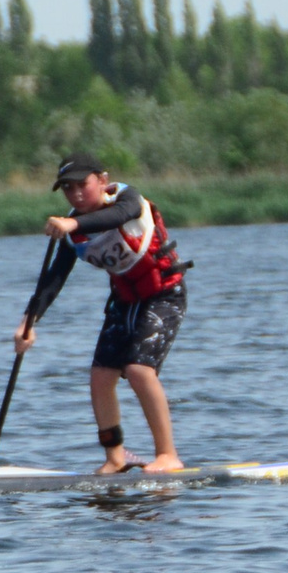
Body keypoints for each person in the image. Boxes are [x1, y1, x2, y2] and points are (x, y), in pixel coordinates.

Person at [13, 154, 191, 474]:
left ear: (102, 179)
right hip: (124, 302)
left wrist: (72, 222)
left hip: (164, 295)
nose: (76, 194)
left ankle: (168, 455)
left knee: (138, 370)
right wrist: (28, 322)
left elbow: (122, 215)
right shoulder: (73, 232)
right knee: (100, 377)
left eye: (83, 185)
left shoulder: (127, 197)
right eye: (68, 189)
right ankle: (115, 457)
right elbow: (53, 280)